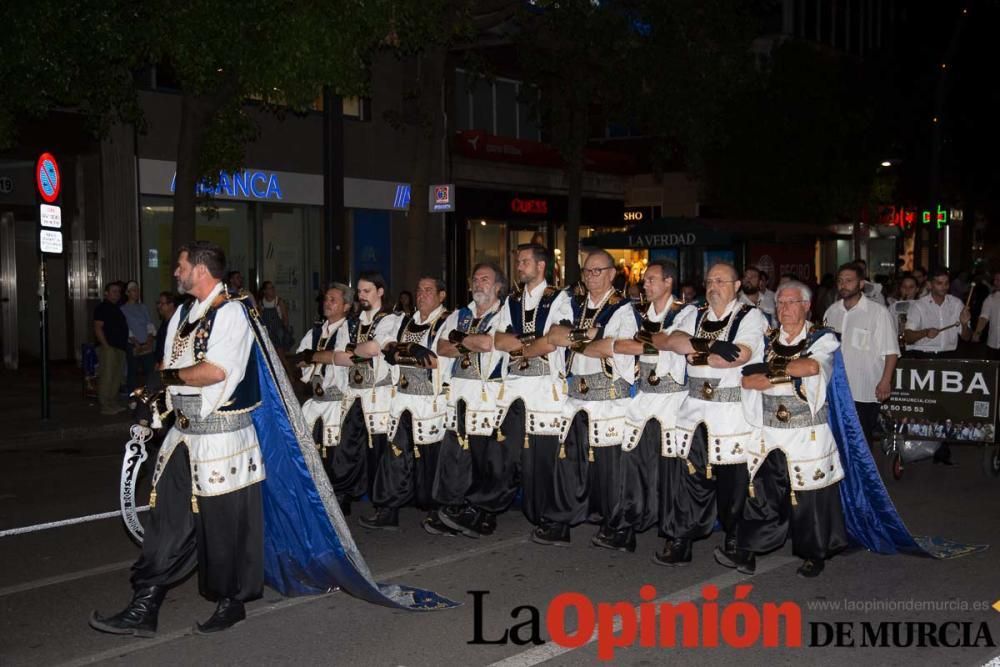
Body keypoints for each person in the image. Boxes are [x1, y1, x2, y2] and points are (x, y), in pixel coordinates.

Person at [91, 242, 265, 635]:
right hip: (182, 437)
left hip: (223, 443)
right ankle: (144, 607)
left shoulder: (233, 313)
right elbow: (167, 367)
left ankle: (231, 600)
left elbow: (216, 371)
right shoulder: (185, 313)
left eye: (180, 266)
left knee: (222, 529)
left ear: (201, 270)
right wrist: (149, 409)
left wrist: (167, 379)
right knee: (166, 523)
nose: (175, 272)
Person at [654, 262, 767, 571]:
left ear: (737, 285)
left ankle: (736, 542)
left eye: (720, 280)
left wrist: (697, 350)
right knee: (689, 478)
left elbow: (736, 356)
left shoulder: (750, 316)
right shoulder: (695, 314)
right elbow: (668, 340)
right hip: (694, 412)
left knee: (733, 483)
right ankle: (682, 539)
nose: (713, 286)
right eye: (709, 281)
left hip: (731, 414)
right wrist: (707, 345)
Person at [531, 249, 639, 548]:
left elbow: (610, 347)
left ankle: (618, 528)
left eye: (598, 270)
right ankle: (560, 521)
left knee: (610, 468)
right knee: (568, 462)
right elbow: (553, 334)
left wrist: (581, 339)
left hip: (608, 397)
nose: (592, 277)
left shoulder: (623, 309)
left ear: (612, 273)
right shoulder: (575, 304)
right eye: (587, 271)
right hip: (575, 395)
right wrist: (592, 336)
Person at [740, 281, 849, 577]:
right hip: (769, 428)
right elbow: (748, 380)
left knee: (808, 495)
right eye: (780, 304)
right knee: (761, 489)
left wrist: (771, 373)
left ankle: (814, 554)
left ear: (806, 306)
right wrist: (785, 373)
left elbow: (812, 368)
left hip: (807, 430)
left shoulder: (821, 338)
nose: (784, 309)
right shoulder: (766, 339)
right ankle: (749, 548)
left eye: (791, 303)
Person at [600, 260, 694, 552]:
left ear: (668, 282)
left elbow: (675, 343)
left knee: (671, 471)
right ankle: (627, 527)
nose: (645, 284)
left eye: (651, 279)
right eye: (644, 280)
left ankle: (676, 537)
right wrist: (654, 342)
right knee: (634, 465)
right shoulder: (637, 312)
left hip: (672, 399)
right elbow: (620, 345)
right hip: (642, 396)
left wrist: (647, 342)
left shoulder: (686, 312)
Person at [493, 244, 569, 538]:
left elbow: (553, 340)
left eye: (525, 261)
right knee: (504, 449)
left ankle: (552, 520)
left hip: (544, 385)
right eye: (518, 260)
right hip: (514, 384)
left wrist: (521, 347)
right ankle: (486, 508)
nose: (519, 265)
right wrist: (530, 346)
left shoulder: (559, 298)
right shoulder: (512, 299)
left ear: (541, 266)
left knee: (542, 456)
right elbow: (499, 339)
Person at [434, 263, 510, 537]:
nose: (479, 284)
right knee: (457, 452)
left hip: (489, 392)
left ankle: (484, 513)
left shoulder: (505, 313)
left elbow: (490, 344)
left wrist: (461, 341)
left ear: (498, 286)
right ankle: (454, 506)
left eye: (485, 279)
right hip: (460, 390)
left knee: (485, 454)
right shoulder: (460, 314)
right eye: (475, 279)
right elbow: (442, 347)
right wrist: (469, 341)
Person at [371, 277, 449, 531]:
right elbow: (386, 343)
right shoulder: (403, 320)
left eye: (428, 290)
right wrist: (405, 348)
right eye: (419, 290)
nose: (422, 294)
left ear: (441, 295)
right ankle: (388, 509)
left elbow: (434, 360)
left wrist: (405, 351)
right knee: (395, 455)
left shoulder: (448, 321)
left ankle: (437, 510)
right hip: (402, 398)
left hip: (431, 401)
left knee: (432, 458)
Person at [331, 273, 402, 518]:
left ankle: (385, 506)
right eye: (359, 291)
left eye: (366, 291)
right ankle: (344, 494)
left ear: (380, 292)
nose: (361, 296)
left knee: (380, 450)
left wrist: (354, 350)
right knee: (347, 446)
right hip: (354, 393)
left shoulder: (391, 319)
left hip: (379, 395)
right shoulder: (350, 323)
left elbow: (376, 347)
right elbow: (338, 358)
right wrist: (358, 352)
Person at [823, 263, 899, 451]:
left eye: (849, 281)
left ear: (861, 283)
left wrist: (885, 381)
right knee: (836, 439)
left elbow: (891, 351)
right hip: (836, 388)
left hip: (864, 389)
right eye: (840, 281)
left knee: (861, 441)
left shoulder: (878, 313)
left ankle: (863, 479)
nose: (843, 285)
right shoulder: (832, 312)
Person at [904, 268, 972, 466]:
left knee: (946, 404)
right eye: (939, 283)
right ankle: (919, 446)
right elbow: (907, 336)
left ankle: (941, 447)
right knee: (924, 404)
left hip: (949, 357)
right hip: (923, 357)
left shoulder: (957, 304)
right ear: (930, 285)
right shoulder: (919, 306)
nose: (943, 287)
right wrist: (925, 332)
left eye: (946, 283)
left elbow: (966, 337)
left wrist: (965, 324)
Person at [292, 283, 351, 463]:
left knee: (336, 457)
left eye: (333, 300)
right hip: (316, 400)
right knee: (310, 455)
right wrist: (322, 356)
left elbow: (346, 358)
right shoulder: (315, 331)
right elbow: (300, 359)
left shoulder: (349, 330)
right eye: (326, 299)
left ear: (346, 306)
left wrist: (314, 356)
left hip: (339, 402)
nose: (327, 303)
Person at [94, 282, 129, 415]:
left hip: (119, 347)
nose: (117, 294)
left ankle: (112, 403)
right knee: (107, 376)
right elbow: (98, 327)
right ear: (106, 293)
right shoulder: (102, 308)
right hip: (109, 348)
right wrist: (106, 346)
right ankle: (105, 405)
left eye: (118, 292)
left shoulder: (117, 308)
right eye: (113, 291)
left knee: (116, 377)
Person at [121, 281, 158, 392]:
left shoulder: (143, 307)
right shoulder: (123, 309)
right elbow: (125, 328)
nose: (137, 292)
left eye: (137, 290)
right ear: (127, 293)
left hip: (146, 343)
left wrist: (150, 339)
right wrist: (134, 341)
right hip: (133, 345)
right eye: (133, 290)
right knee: (132, 372)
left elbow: (149, 324)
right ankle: (132, 396)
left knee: (150, 371)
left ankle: (151, 394)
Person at [973, 270, 1000, 360]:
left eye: (998, 280)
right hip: (993, 344)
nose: (995, 282)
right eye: (995, 280)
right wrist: (977, 333)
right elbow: (984, 317)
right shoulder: (991, 298)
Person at [258, 281, 291, 351]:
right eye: (270, 288)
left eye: (273, 287)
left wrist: (286, 333)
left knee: (279, 352)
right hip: (267, 332)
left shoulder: (279, 301)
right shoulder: (261, 303)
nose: (272, 290)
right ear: (265, 291)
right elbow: (260, 319)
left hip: (279, 332)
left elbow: (285, 318)